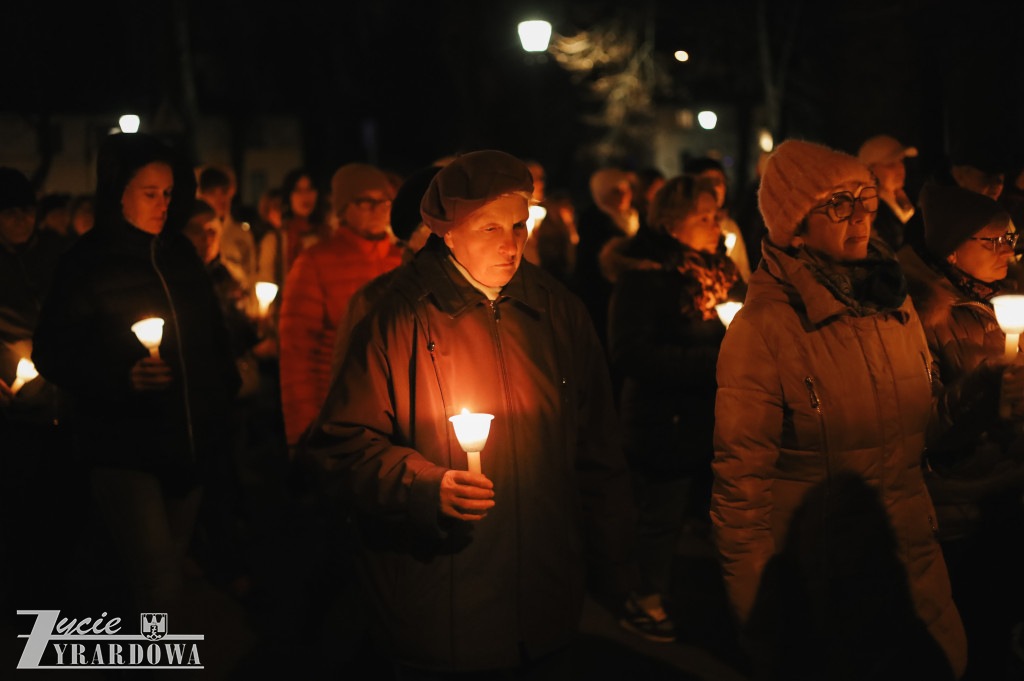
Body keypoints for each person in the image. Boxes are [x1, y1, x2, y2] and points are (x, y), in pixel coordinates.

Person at [305, 150, 634, 675]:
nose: (511, 244)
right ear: (447, 231)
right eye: (489, 227)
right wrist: (424, 486)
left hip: (547, 594)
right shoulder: (398, 316)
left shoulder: (558, 310)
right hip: (443, 596)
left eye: (519, 225)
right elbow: (342, 446)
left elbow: (597, 446)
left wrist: (613, 562)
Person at [711, 139, 1016, 679]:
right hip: (824, 590)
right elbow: (741, 498)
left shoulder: (891, 304)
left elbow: (922, 434)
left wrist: (984, 387)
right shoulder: (765, 331)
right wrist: (763, 623)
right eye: (838, 203)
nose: (860, 215)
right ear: (793, 224)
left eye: (865, 199)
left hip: (913, 572)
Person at [32, 133, 239, 613]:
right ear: (117, 193)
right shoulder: (86, 263)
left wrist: (221, 393)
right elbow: (52, 352)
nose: (163, 204)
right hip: (125, 449)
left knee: (161, 577)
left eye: (168, 193)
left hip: (189, 449)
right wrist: (121, 377)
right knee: (158, 585)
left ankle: (137, 641)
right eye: (150, 193)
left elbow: (213, 337)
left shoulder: (181, 256)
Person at [608, 174, 744, 643]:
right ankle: (644, 598)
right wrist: (716, 361)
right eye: (703, 218)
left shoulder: (722, 270)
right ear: (670, 224)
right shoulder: (645, 277)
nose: (715, 225)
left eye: (716, 216)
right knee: (661, 516)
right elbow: (631, 353)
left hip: (713, 414)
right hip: (663, 418)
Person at [899, 183, 1024, 679]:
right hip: (956, 503)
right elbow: (924, 427)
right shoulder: (918, 316)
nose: (1007, 251)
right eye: (993, 241)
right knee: (966, 635)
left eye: (1012, 239)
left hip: (1007, 486)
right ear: (952, 248)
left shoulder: (1001, 300)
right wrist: (986, 386)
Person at [278, 162, 402, 447]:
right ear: (344, 208)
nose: (377, 209)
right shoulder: (315, 263)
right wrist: (303, 435)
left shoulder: (400, 261)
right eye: (365, 201)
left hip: (395, 419)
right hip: (335, 415)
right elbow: (297, 353)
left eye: (384, 201)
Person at [257, 168, 329, 291]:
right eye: (298, 190)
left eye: (310, 189)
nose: (305, 196)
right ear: (289, 196)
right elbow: (265, 281)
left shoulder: (327, 236)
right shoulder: (276, 240)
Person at [684, 157, 751, 281]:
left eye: (722, 181)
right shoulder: (685, 227)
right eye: (710, 181)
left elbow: (744, 273)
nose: (718, 187)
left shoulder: (729, 226)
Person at [858, 134, 918, 251]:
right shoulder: (871, 212)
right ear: (870, 169)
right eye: (891, 164)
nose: (900, 168)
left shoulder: (908, 200)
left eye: (901, 161)